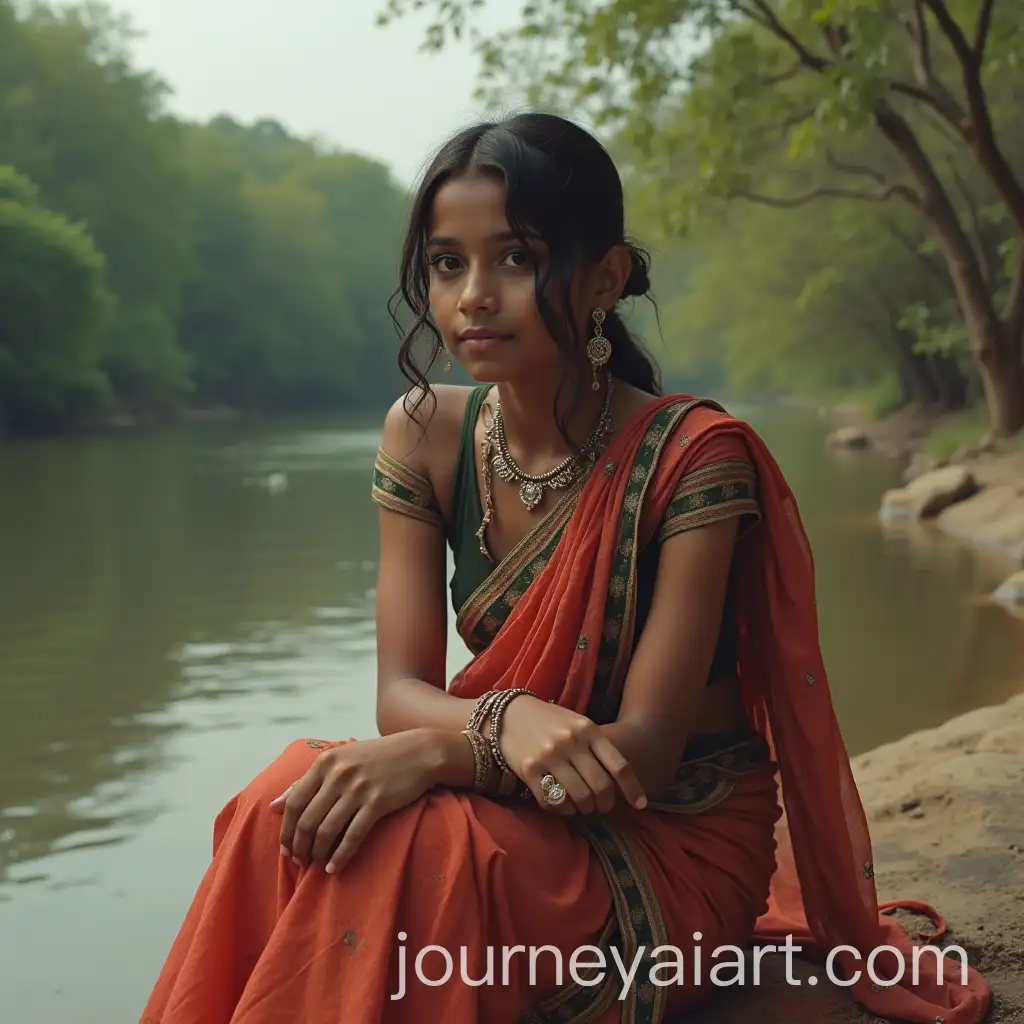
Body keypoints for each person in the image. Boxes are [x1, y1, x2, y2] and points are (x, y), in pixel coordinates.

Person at [139, 112, 990, 1024]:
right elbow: (399, 691)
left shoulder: (692, 456)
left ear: (604, 279)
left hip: (668, 835)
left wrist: (448, 747)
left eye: (513, 259)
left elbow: (641, 754)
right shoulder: (424, 434)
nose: (472, 295)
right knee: (288, 792)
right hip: (517, 802)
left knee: (403, 840)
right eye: (446, 262)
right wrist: (499, 727)